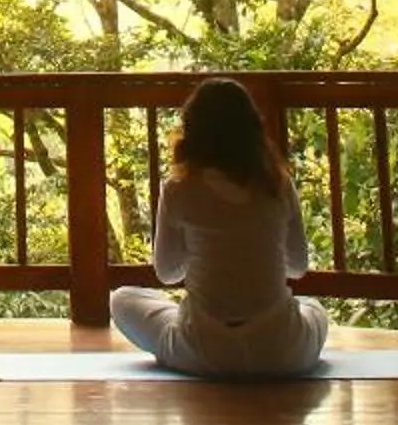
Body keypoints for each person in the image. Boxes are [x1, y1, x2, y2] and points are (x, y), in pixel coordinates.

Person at [110, 77, 328, 377]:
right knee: (313, 308)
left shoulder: (178, 188)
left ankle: (187, 331)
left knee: (121, 299)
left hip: (202, 350)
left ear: (192, 132)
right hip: (280, 350)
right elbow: (298, 267)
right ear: (253, 129)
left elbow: (167, 272)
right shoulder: (278, 184)